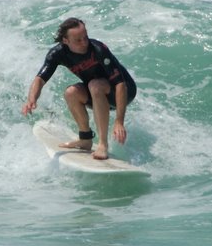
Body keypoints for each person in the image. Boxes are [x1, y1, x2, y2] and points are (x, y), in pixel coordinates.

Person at [22, 17, 137, 160]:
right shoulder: (57, 54)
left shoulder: (98, 49)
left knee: (95, 85)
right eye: (78, 40)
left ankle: (102, 145)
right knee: (71, 93)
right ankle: (85, 139)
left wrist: (119, 121)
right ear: (65, 40)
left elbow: (121, 84)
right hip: (97, 94)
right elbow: (40, 78)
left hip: (124, 91)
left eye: (85, 37)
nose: (84, 42)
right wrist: (31, 99)